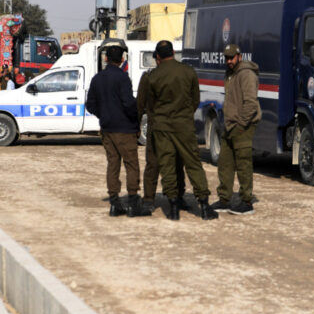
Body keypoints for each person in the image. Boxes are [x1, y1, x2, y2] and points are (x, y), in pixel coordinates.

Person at [148, 40, 217, 221]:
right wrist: (184, 115)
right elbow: (195, 100)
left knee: (168, 165)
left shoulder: (153, 76)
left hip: (162, 127)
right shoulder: (188, 71)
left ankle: (173, 208)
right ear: (173, 53)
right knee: (193, 163)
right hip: (184, 125)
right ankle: (204, 206)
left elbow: (150, 104)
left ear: (158, 56)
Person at [85, 45, 149, 217]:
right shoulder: (123, 78)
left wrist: (104, 114)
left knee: (113, 165)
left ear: (106, 59)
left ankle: (114, 203)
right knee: (131, 164)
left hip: (107, 129)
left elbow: (90, 105)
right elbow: (128, 103)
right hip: (125, 129)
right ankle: (133, 203)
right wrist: (135, 118)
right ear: (122, 60)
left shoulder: (97, 78)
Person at [211, 44, 262, 215]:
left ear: (239, 56)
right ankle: (224, 199)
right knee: (224, 163)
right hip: (230, 125)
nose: (229, 61)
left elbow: (251, 103)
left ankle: (246, 201)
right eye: (226, 58)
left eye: (231, 57)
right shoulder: (230, 73)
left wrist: (241, 124)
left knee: (243, 163)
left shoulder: (247, 74)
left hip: (242, 126)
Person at [137, 51, 186, 212]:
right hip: (176, 128)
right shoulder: (181, 75)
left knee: (153, 164)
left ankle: (149, 200)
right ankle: (177, 198)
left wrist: (136, 126)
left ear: (157, 59)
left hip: (156, 127)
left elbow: (140, 104)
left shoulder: (149, 77)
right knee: (176, 164)